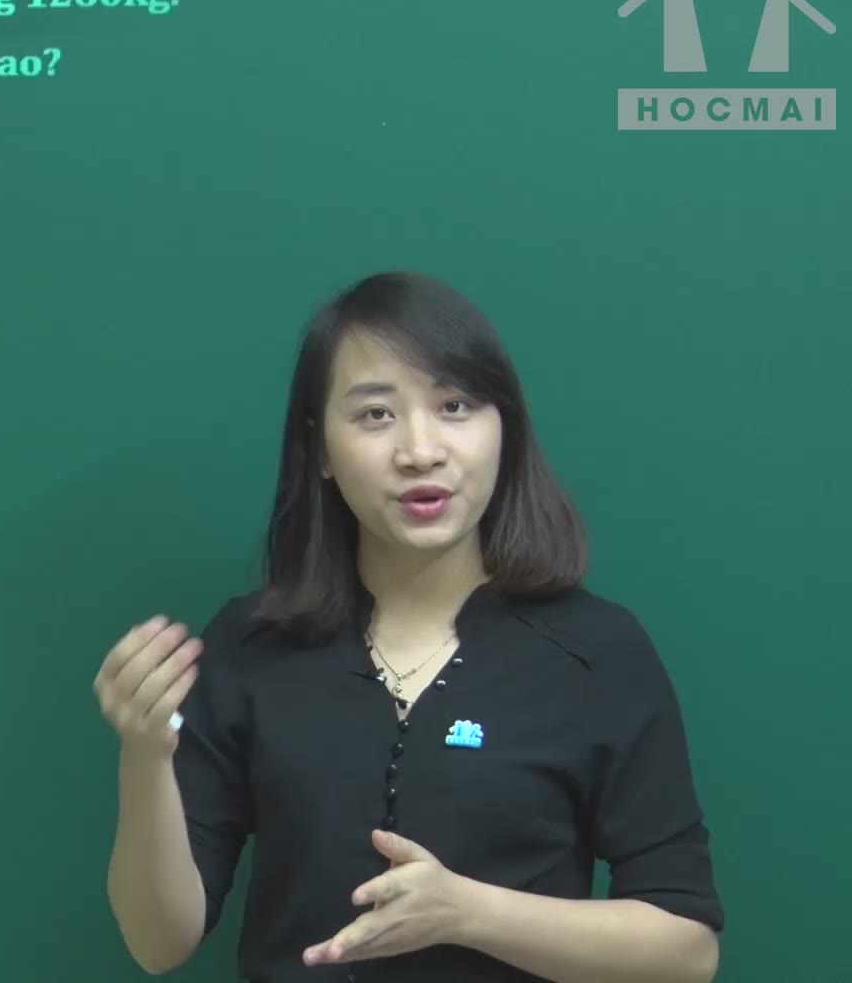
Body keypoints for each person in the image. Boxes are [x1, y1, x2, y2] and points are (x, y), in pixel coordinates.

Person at [93, 272, 722, 981]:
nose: (420, 450)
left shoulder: (597, 651)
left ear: (504, 429)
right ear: (320, 451)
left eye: (455, 406)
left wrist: (468, 913)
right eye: (375, 414)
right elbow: (158, 943)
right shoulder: (252, 644)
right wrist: (144, 756)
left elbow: (686, 952)